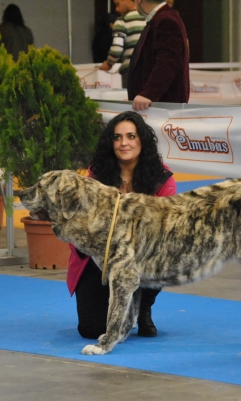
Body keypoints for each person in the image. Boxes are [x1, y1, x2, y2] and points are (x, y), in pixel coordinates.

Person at [67, 111, 176, 339]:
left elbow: (165, 228)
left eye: (130, 136)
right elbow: (80, 224)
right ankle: (124, 306)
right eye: (117, 137)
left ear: (142, 140)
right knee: (92, 330)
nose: (124, 143)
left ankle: (143, 305)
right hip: (99, 259)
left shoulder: (162, 177)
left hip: (142, 256)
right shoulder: (95, 175)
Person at [127, 0, 189, 111]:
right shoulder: (162, 19)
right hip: (156, 105)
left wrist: (148, 94)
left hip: (161, 108)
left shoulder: (165, 20)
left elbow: (167, 63)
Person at [99, 0, 145, 88]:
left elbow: (117, 48)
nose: (117, 9)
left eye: (117, 4)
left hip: (130, 70)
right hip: (149, 69)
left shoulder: (122, 21)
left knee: (132, 100)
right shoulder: (149, 18)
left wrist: (109, 63)